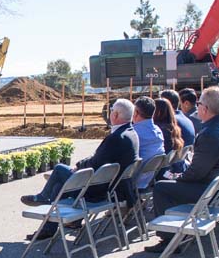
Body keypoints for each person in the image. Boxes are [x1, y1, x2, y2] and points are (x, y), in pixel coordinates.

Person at [143, 87, 219, 253]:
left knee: (162, 187)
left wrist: (178, 178)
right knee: (172, 184)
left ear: (205, 108)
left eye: (199, 104)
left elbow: (196, 173)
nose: (197, 108)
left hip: (211, 191)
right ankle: (178, 230)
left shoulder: (211, 133)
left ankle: (169, 239)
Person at [21, 98, 137, 240]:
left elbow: (95, 163)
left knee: (59, 169)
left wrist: (78, 168)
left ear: (116, 115)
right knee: (58, 187)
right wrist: (80, 165)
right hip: (111, 187)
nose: (110, 113)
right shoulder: (131, 133)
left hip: (98, 191)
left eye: (112, 111)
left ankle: (42, 198)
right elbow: (97, 159)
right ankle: (52, 227)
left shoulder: (116, 138)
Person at [131, 97, 165, 189]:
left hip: (133, 181)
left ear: (136, 112)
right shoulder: (158, 131)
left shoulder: (134, 133)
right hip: (149, 180)